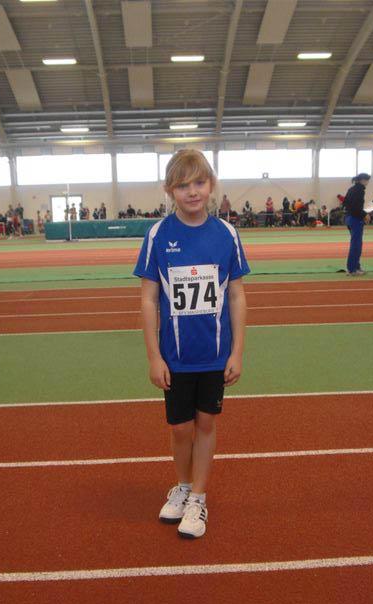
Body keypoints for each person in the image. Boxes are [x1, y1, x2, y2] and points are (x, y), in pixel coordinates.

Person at [134, 149, 250, 539]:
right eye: (183, 185)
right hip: (175, 358)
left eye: (199, 182)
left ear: (211, 185)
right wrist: (154, 356)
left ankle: (198, 496)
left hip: (214, 356)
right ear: (170, 190)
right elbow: (148, 300)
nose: (193, 191)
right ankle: (182, 486)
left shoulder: (227, 234)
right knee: (181, 428)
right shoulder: (157, 235)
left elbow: (237, 295)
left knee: (206, 423)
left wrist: (237, 352)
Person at [343, 173, 371, 276]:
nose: (368, 182)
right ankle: (352, 269)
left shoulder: (351, 189)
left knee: (356, 244)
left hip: (349, 218)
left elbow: (345, 203)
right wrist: (365, 214)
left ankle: (356, 266)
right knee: (356, 245)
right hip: (355, 219)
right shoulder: (360, 190)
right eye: (367, 180)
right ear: (363, 180)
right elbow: (356, 208)